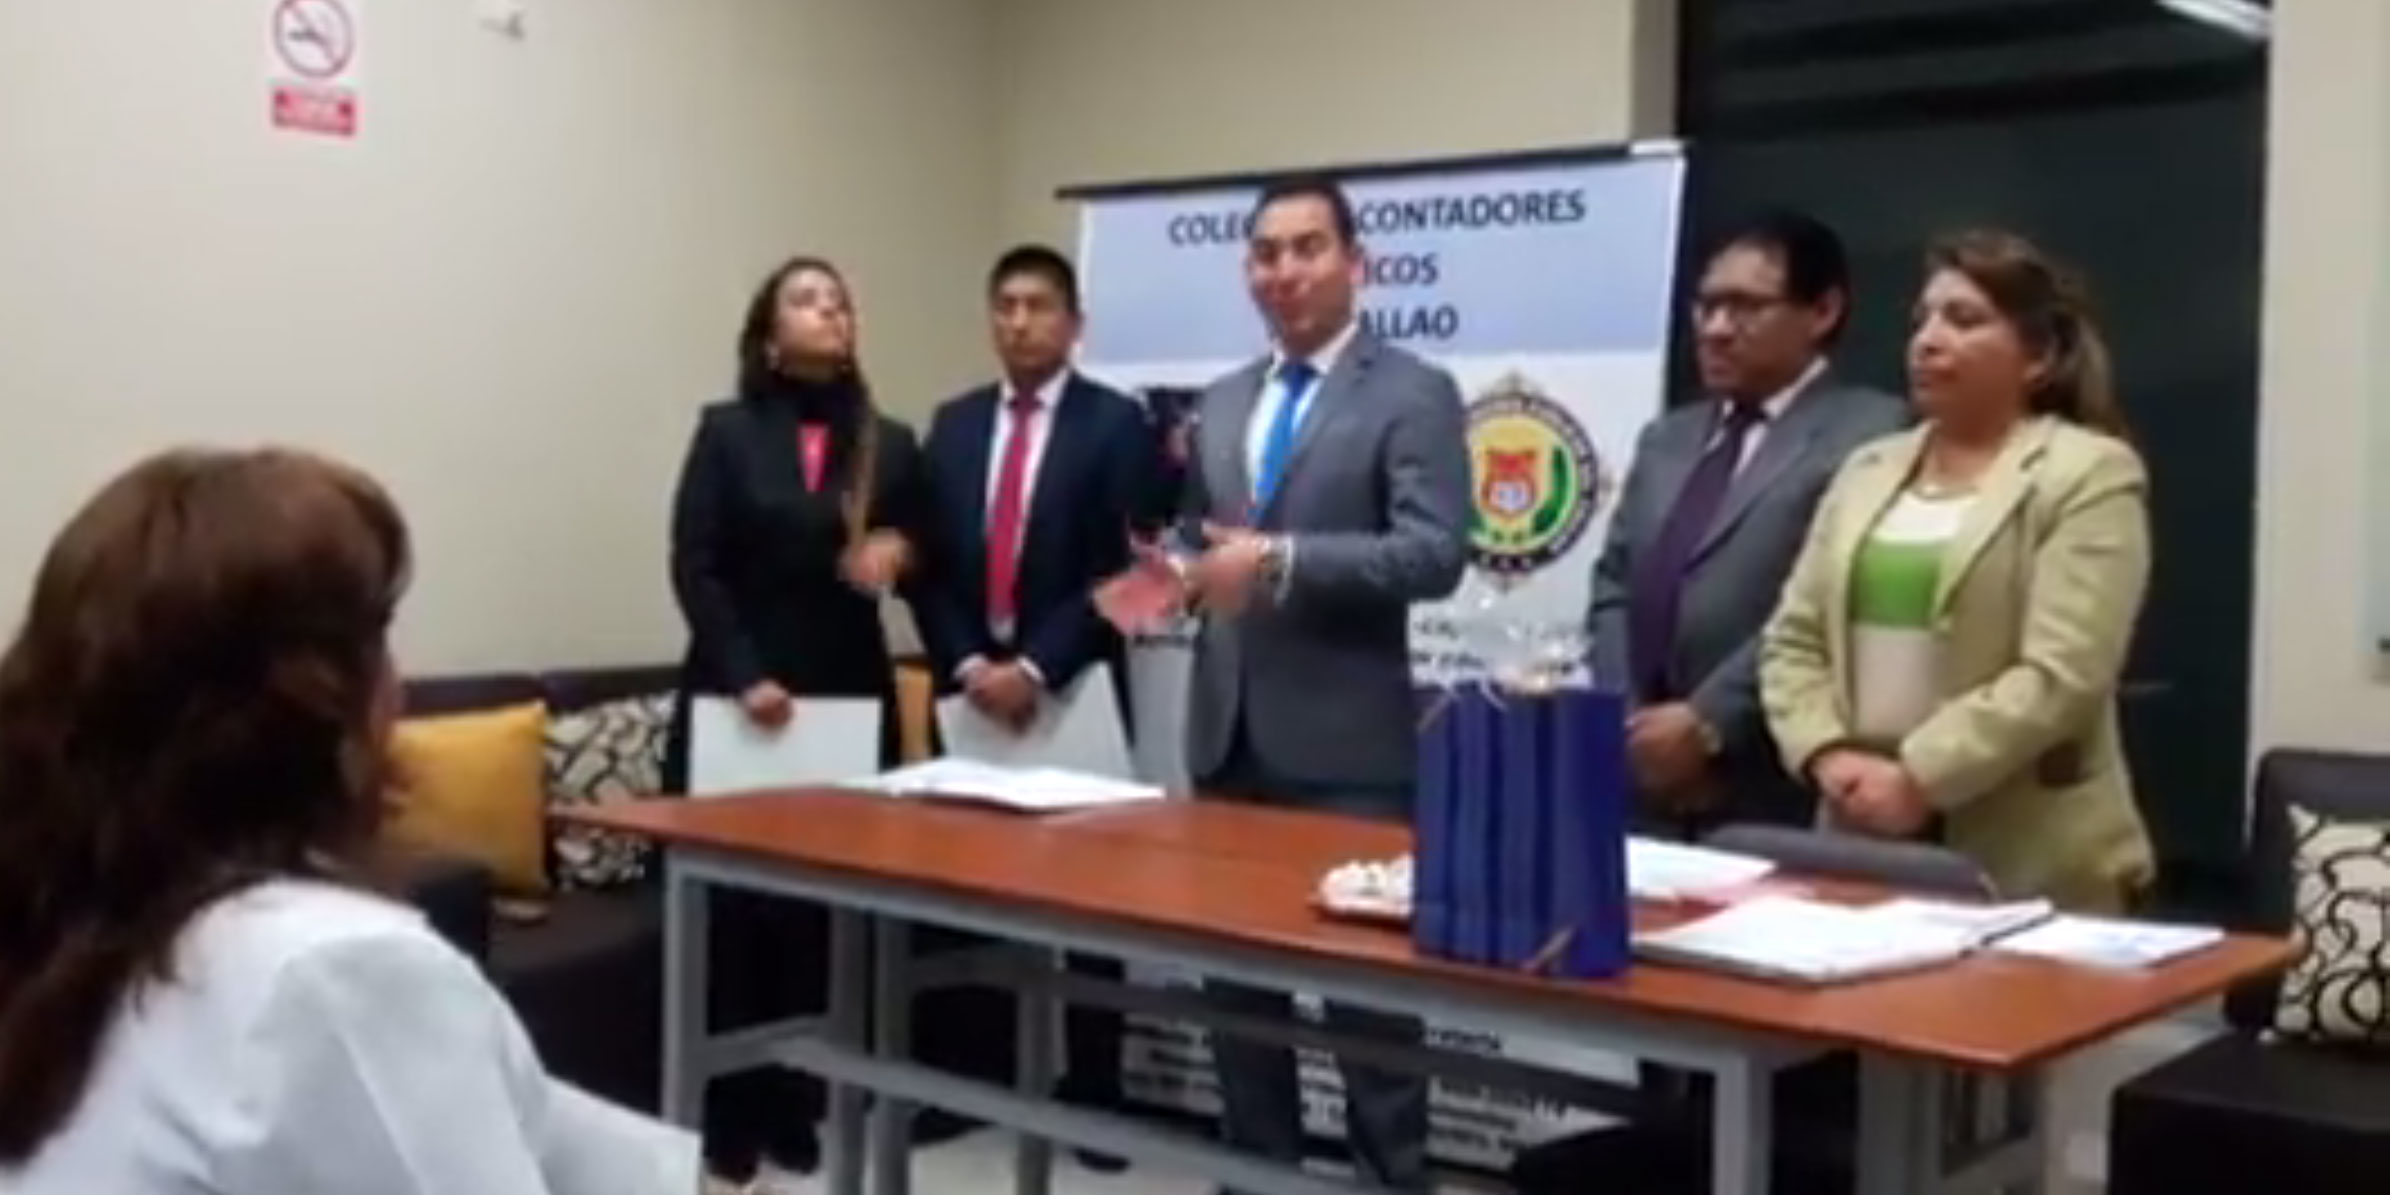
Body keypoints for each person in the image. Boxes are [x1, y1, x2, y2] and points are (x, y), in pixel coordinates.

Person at [0, 448, 704, 1194]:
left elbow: (541, 1121)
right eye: (378, 638)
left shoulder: (80, 928)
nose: (397, 686)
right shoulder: (325, 970)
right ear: (310, 707)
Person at [1105, 175, 1471, 1192]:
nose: (1284, 270)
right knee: (1240, 1010)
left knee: (1371, 1021)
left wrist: (1276, 561)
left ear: (1358, 263)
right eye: (1266, 253)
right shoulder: (1225, 398)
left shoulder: (1411, 390)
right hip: (1227, 738)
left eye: (1308, 247)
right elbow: (1204, 533)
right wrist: (1163, 579)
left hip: (1349, 752)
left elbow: (1434, 553)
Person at [1761, 229, 2157, 911]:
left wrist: (1919, 776)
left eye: (1963, 320)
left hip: (2026, 854)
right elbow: (1792, 640)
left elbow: (2064, 673)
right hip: (1859, 831)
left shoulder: (2089, 472)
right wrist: (1828, 755)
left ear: (2038, 357)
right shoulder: (1867, 469)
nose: (1928, 340)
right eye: (1922, 320)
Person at [663, 254, 932, 1189]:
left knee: (820, 911)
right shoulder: (726, 432)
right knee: (733, 913)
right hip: (741, 696)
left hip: (846, 693)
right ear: (769, 335)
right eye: (807, 300)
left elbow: (928, 549)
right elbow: (694, 562)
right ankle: (725, 1111)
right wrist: (746, 674)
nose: (829, 311)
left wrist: (900, 548)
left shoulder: (888, 442)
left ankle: (795, 1101)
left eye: (840, 300)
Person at [916, 243, 1160, 1172]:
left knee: (1092, 907)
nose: (1019, 322)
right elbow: (928, 566)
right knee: (967, 890)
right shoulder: (954, 424)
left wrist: (1037, 666)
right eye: (1005, 305)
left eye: (1039, 305)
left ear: (1074, 323)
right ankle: (967, 1079)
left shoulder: (1117, 424)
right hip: (971, 693)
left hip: (1077, 688)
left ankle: (1096, 1092)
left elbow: (1134, 572)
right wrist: (970, 661)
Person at [1588, 210, 1910, 834]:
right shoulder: (1667, 438)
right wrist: (1631, 725)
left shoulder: (1874, 434)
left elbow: (1830, 607)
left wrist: (1707, 723)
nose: (1715, 329)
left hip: (1774, 785)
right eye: (1706, 306)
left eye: (1745, 308)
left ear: (1822, 312)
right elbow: (1613, 586)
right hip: (1638, 786)